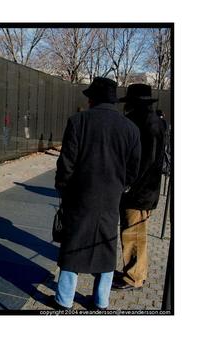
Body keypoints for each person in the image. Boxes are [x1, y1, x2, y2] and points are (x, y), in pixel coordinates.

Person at [51, 77, 141, 310]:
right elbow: (134, 168)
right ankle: (101, 300)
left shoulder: (78, 121)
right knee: (107, 244)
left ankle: (64, 299)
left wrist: (62, 186)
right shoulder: (130, 128)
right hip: (111, 197)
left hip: (79, 195)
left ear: (93, 99)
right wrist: (121, 186)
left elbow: (67, 162)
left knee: (73, 243)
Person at [112, 84, 167, 290]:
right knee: (133, 232)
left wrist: (128, 184)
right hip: (143, 190)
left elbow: (146, 161)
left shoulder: (146, 123)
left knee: (134, 234)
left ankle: (134, 277)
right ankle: (134, 272)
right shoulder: (153, 121)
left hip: (139, 192)